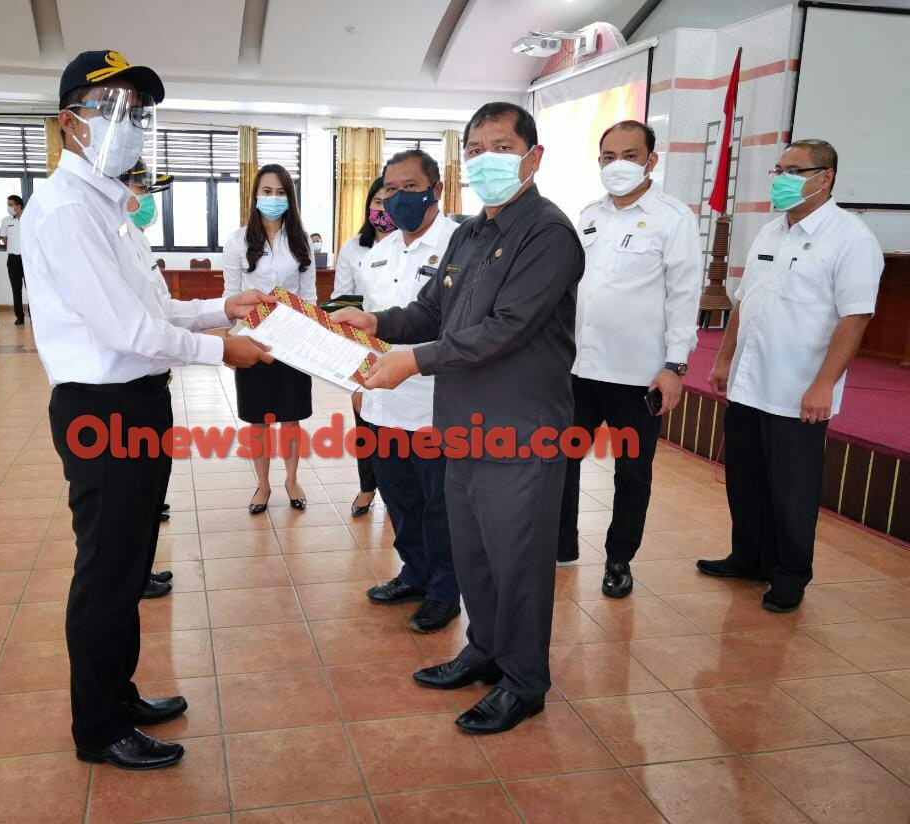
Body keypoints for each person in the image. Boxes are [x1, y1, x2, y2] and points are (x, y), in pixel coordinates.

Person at [22, 49, 275, 771]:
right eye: (114, 109)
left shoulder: (109, 205)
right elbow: (127, 333)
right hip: (101, 410)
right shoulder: (68, 209)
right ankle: (98, 728)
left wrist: (220, 308)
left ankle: (119, 692)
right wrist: (225, 351)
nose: (130, 124)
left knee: (130, 565)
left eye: (139, 111)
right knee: (107, 573)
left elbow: (155, 308)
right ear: (72, 122)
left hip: (135, 403)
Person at [334, 102, 583, 735]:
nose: (483, 159)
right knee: (475, 554)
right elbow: (429, 313)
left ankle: (524, 681)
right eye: (473, 148)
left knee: (518, 561)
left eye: (500, 146)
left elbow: (504, 331)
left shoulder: (548, 234)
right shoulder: (470, 234)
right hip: (463, 425)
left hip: (522, 431)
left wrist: (410, 363)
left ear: (533, 156)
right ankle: (485, 651)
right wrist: (377, 324)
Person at [698, 138, 883, 612]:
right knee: (745, 479)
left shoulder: (851, 238)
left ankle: (789, 574)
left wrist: (824, 384)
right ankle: (749, 557)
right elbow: (744, 301)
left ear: (826, 178)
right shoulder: (770, 232)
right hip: (748, 381)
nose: (782, 179)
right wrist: (723, 359)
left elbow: (855, 317)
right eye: (779, 169)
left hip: (798, 389)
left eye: (795, 171)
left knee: (791, 489)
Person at [557, 121, 702, 596]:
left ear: (651, 161)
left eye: (629, 155)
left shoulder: (673, 217)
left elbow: (684, 295)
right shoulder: (588, 215)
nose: (616, 165)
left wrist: (675, 366)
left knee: (632, 472)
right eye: (607, 156)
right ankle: (561, 545)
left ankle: (619, 559)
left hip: (639, 374)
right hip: (580, 368)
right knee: (561, 460)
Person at [359, 150, 460, 634]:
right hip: (382, 402)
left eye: (410, 186)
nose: (400, 197)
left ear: (435, 190)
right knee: (400, 499)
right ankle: (415, 573)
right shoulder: (378, 251)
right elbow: (369, 328)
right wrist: (355, 383)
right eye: (391, 189)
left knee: (439, 505)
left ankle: (445, 589)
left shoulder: (460, 244)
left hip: (435, 405)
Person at [223, 164, 316, 513]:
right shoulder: (238, 240)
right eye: (266, 191)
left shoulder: (301, 239)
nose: (273, 198)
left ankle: (292, 480)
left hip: (294, 340)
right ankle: (262, 485)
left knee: (291, 418)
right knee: (258, 419)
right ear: (255, 196)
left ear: (290, 198)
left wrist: (310, 337)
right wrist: (234, 343)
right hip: (254, 340)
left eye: (280, 192)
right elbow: (230, 295)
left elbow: (308, 295)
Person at [119, 160, 177, 600]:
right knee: (126, 504)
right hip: (114, 400)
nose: (147, 196)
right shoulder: (102, 237)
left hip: (149, 392)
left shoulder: (132, 236)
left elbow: (166, 311)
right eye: (142, 185)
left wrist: (226, 307)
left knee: (147, 496)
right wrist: (222, 349)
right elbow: (137, 331)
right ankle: (129, 578)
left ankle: (139, 572)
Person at [333, 176, 396, 517]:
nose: (382, 209)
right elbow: (341, 300)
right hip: (361, 347)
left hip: (402, 347)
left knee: (396, 426)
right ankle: (367, 487)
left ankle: (394, 489)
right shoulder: (353, 247)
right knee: (364, 424)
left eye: (389, 202)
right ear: (368, 206)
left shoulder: (409, 244)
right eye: (377, 202)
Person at [1, 195, 26, 324]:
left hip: (28, 260)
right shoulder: (5, 221)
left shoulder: (29, 218)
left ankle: (35, 317)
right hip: (13, 259)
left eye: (10, 205)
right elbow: (4, 239)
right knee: (16, 289)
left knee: (32, 289)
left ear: (18, 206)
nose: (8, 207)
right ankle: (20, 317)